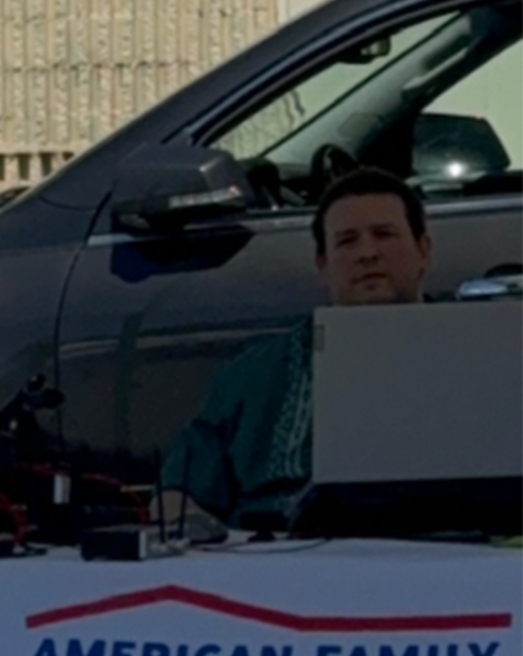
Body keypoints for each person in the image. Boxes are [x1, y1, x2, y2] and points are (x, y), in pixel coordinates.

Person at [160, 167, 434, 528]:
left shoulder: (482, 359)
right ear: (323, 266)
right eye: (347, 241)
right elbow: (177, 494)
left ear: (423, 250)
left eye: (384, 235)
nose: (368, 253)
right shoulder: (255, 373)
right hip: (283, 564)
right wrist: (196, 530)